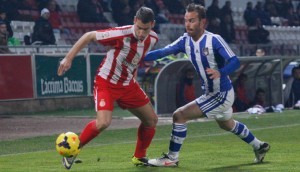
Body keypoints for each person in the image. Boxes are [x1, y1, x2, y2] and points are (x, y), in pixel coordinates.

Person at [144, 3, 270, 167]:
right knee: (227, 124)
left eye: (192, 20)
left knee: (179, 115)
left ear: (203, 22)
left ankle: (172, 158)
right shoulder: (185, 40)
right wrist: (139, 56)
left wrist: (221, 72)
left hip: (221, 94)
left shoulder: (214, 40)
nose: (188, 24)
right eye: (186, 20)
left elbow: (235, 61)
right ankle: (259, 146)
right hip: (212, 93)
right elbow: (162, 52)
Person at [57, 7, 158, 169]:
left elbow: (134, 60)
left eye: (145, 29)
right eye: (138, 28)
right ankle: (72, 151)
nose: (141, 33)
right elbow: (88, 36)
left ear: (152, 24)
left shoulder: (153, 39)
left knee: (151, 120)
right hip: (106, 83)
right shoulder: (120, 34)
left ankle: (139, 156)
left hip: (128, 85)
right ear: (134, 21)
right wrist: (68, 59)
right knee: (103, 123)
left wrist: (132, 77)